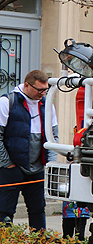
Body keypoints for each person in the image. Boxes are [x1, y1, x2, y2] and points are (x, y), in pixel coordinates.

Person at [0, 70, 58, 230]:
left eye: (45, 90)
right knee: (4, 212)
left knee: (38, 210)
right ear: (26, 85)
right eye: (39, 90)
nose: (43, 93)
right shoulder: (7, 102)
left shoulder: (47, 105)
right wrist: (7, 164)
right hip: (12, 168)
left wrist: (51, 164)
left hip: (37, 168)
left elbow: (53, 137)